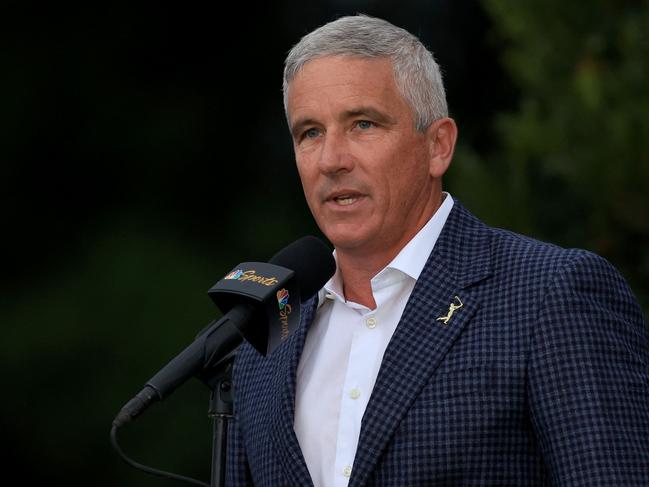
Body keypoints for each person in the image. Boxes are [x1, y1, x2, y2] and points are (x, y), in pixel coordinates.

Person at [226, 14, 649, 486]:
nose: (332, 160)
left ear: (438, 146)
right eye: (310, 133)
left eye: (363, 124)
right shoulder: (264, 342)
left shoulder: (551, 295)